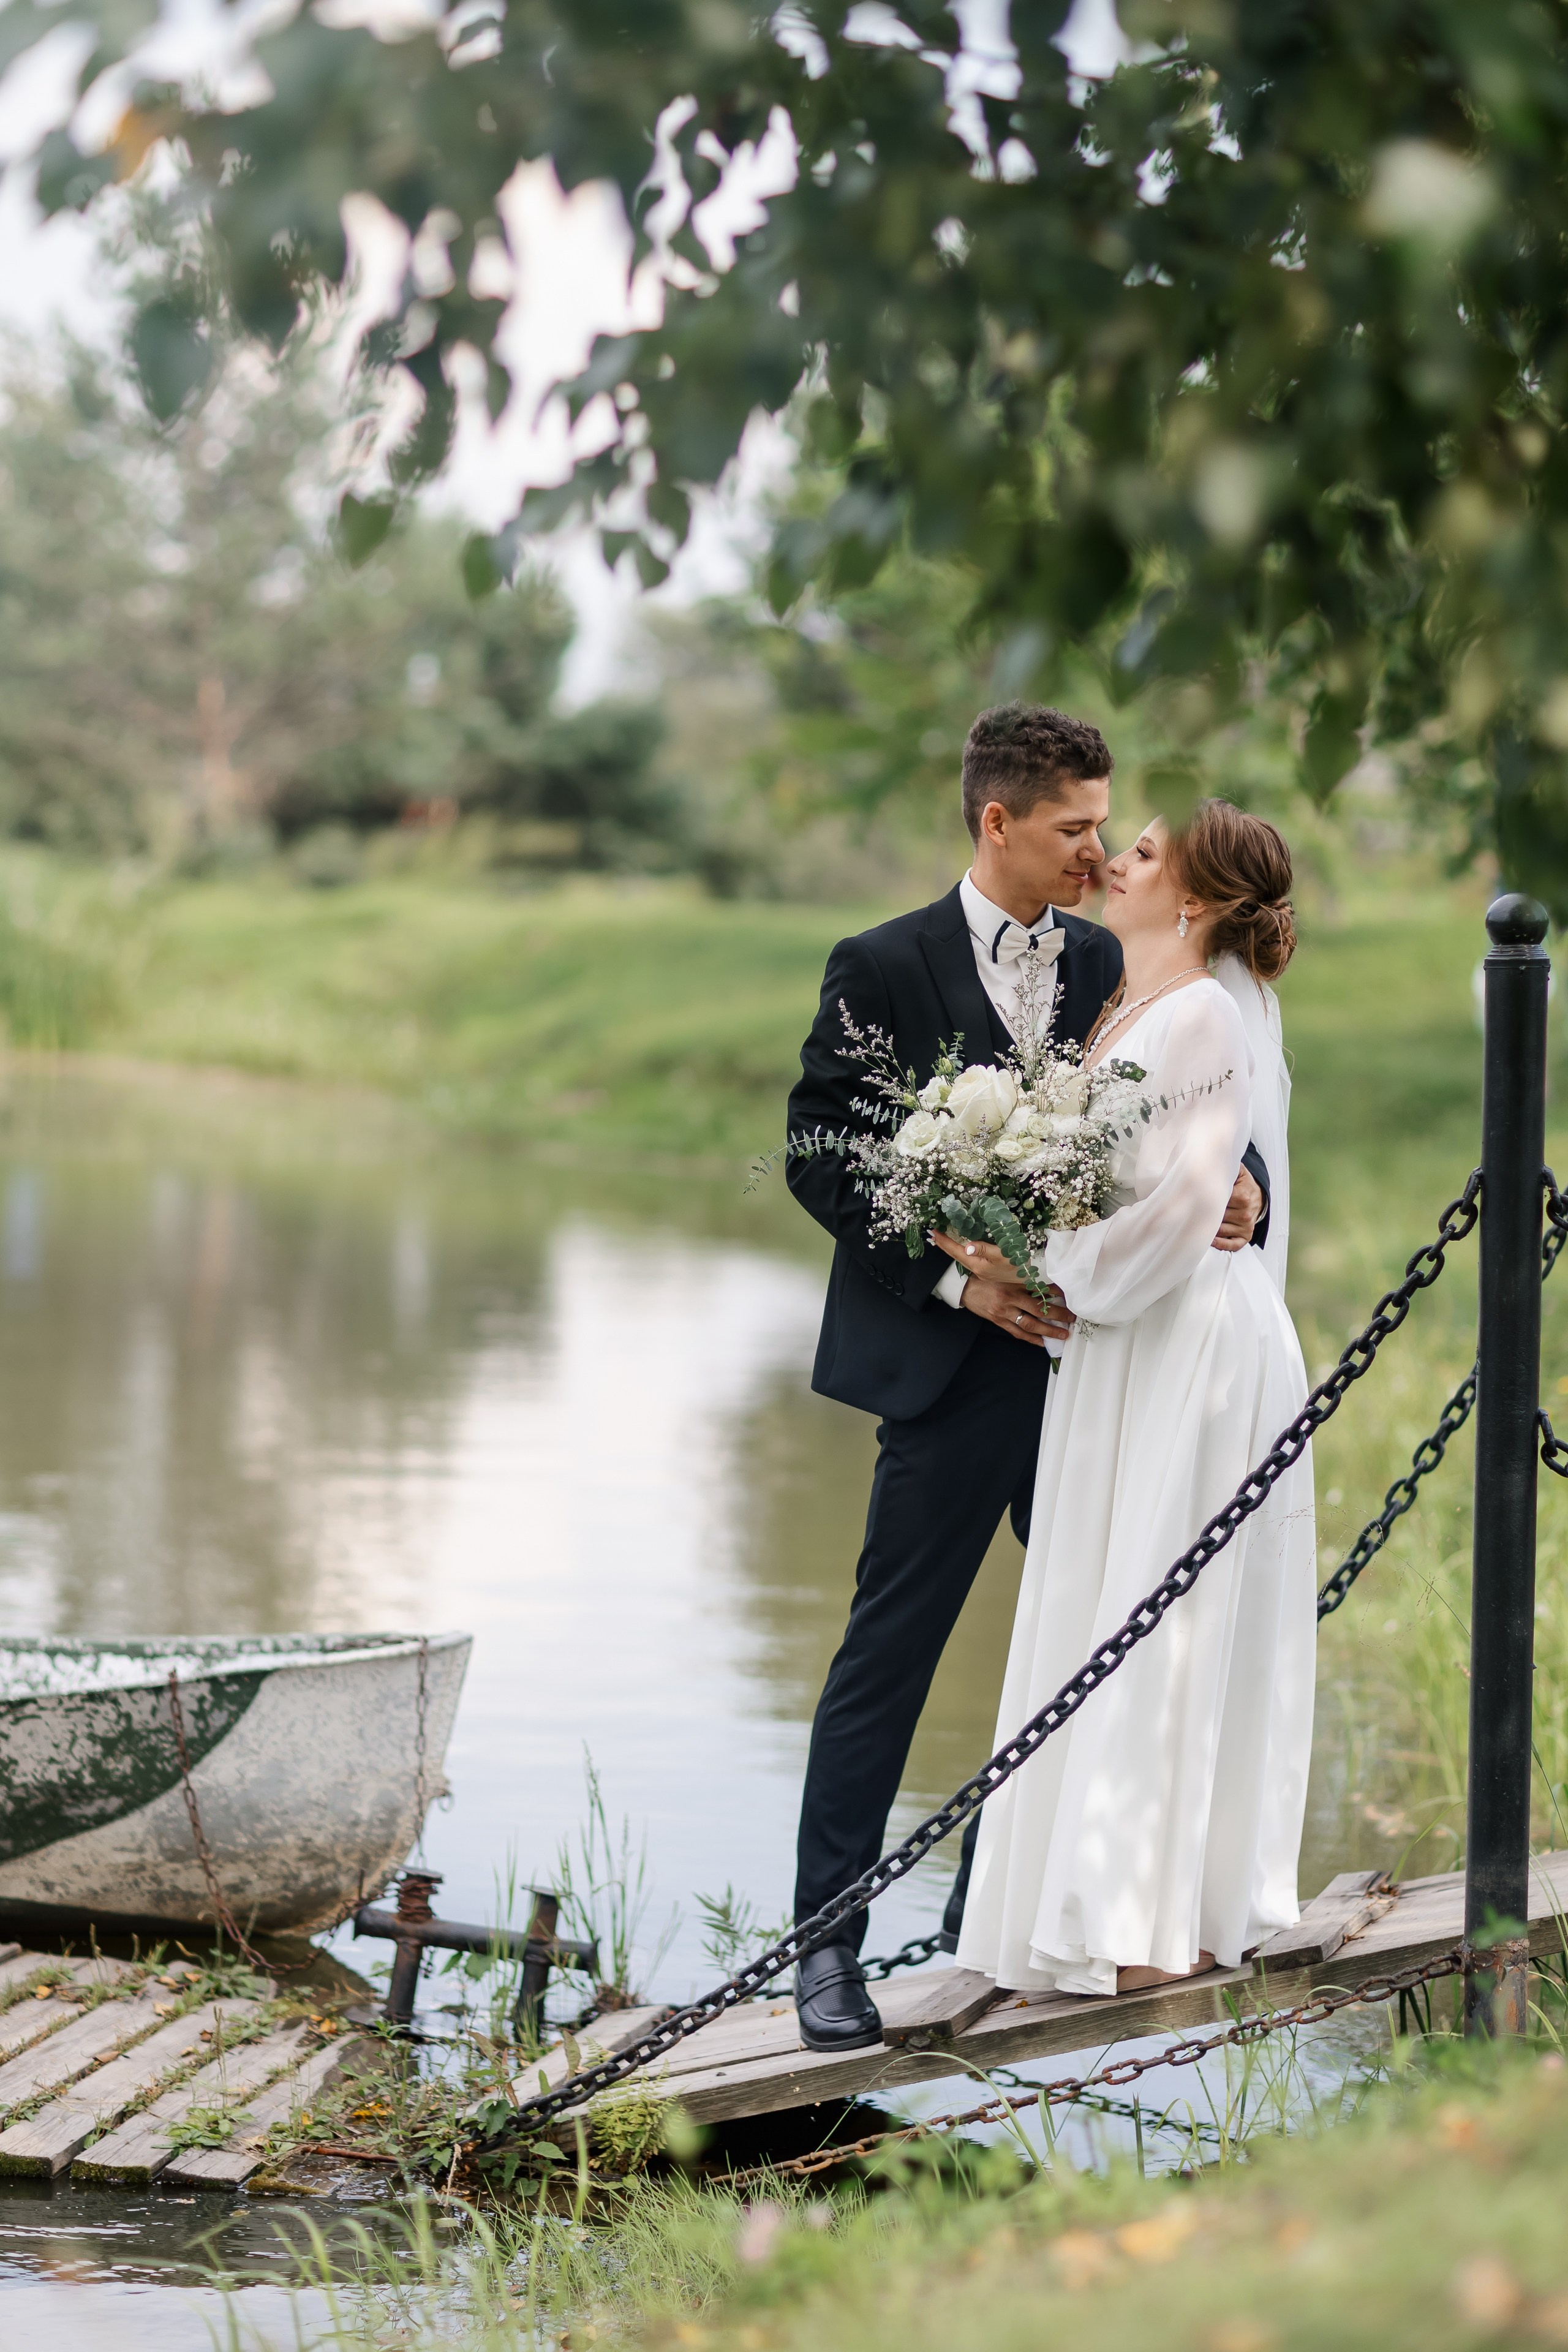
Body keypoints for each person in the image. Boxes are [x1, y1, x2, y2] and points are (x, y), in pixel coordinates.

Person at [785, 705, 1272, 2051]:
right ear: (997, 821)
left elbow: (1205, 1103)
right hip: (949, 1380)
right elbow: (821, 1154)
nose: (1096, 850)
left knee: (1101, 1639)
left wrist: (1244, 1192)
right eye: (1073, 827)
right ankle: (825, 1953)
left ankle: (1010, 1914)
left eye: (1106, 827)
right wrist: (959, 1278)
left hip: (1106, 1384)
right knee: (885, 1660)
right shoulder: (877, 964)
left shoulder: (1121, 958)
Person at [952, 801, 1314, 1996]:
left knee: (1171, 1608)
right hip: (1128, 1339)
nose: (1115, 861)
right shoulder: (1134, 1004)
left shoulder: (1205, 1012)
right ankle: (1112, 1902)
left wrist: (1044, 1262)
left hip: (1187, 1343)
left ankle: (1164, 1915)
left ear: (1198, 901)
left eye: (1144, 852)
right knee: (1117, 1596)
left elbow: (1183, 1207)